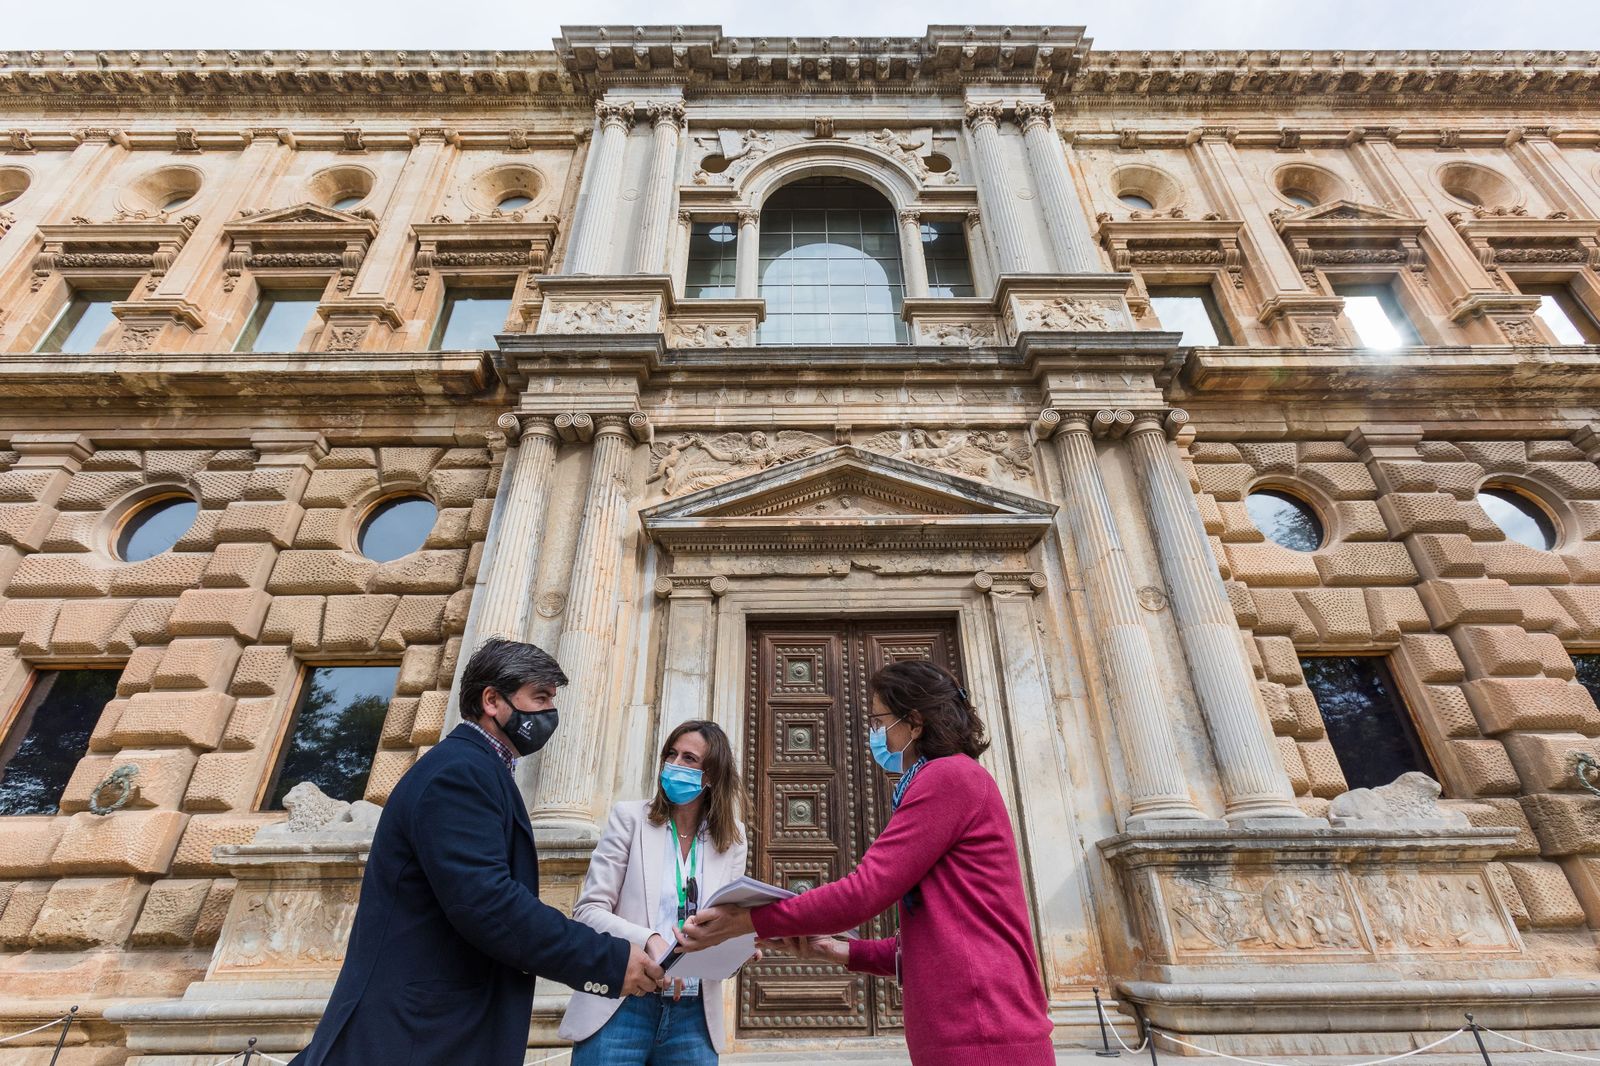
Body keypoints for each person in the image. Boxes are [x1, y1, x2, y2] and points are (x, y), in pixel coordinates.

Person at [291, 638, 665, 1066]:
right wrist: (609, 960)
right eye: (539, 698)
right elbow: (488, 903)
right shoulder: (460, 773)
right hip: (417, 1035)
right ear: (492, 700)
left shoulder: (475, 769)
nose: (549, 715)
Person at [675, 660, 1054, 1066]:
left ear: (914, 722)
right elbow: (939, 942)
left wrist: (749, 920)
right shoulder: (949, 779)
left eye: (879, 720)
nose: (875, 734)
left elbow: (864, 892)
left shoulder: (948, 778)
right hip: (970, 1027)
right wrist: (838, 952)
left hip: (982, 1032)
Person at [561, 720, 749, 1065]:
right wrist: (649, 939)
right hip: (620, 1006)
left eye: (689, 759)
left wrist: (739, 947)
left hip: (693, 1018)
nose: (674, 765)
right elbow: (588, 910)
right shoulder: (629, 819)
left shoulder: (733, 839)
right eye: (671, 755)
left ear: (711, 776)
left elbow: (721, 926)